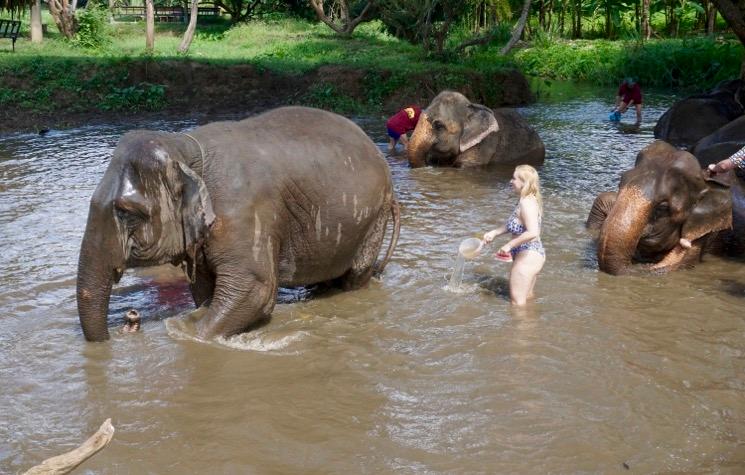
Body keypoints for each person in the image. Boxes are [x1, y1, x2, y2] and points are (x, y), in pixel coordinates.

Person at [483, 165, 546, 306]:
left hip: (528, 257)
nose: (511, 181)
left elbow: (533, 232)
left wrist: (508, 245)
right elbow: (513, 224)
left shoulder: (527, 203)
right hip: (531, 255)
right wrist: (495, 233)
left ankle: (519, 328)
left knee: (517, 305)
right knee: (527, 299)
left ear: (524, 183)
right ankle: (533, 326)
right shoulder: (526, 200)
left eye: (514, 178)